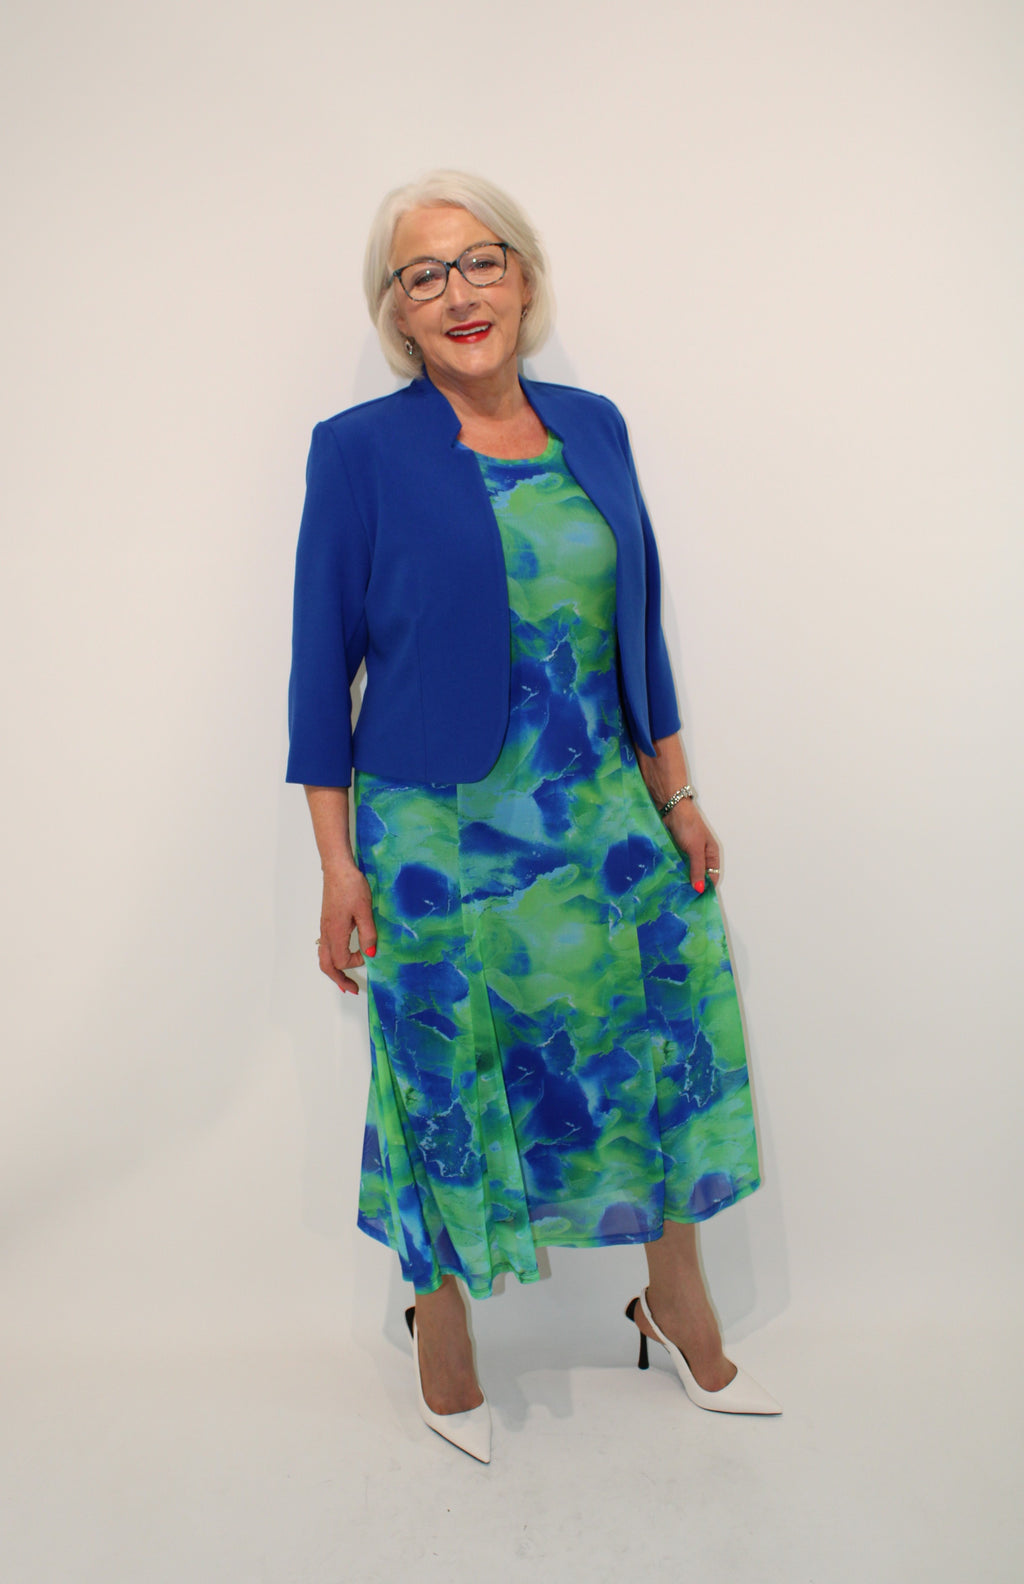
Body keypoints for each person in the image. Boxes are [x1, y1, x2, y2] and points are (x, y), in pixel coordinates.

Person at [286, 170, 779, 1463]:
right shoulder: (359, 451)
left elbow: (636, 631)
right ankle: (441, 1326)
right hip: (437, 833)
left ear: (522, 275)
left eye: (479, 261)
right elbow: (318, 675)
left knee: (660, 1039)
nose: (458, 293)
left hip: (603, 811)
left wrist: (677, 792)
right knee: (440, 1074)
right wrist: (337, 865)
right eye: (424, 274)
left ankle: (677, 1305)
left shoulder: (594, 426)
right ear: (397, 311)